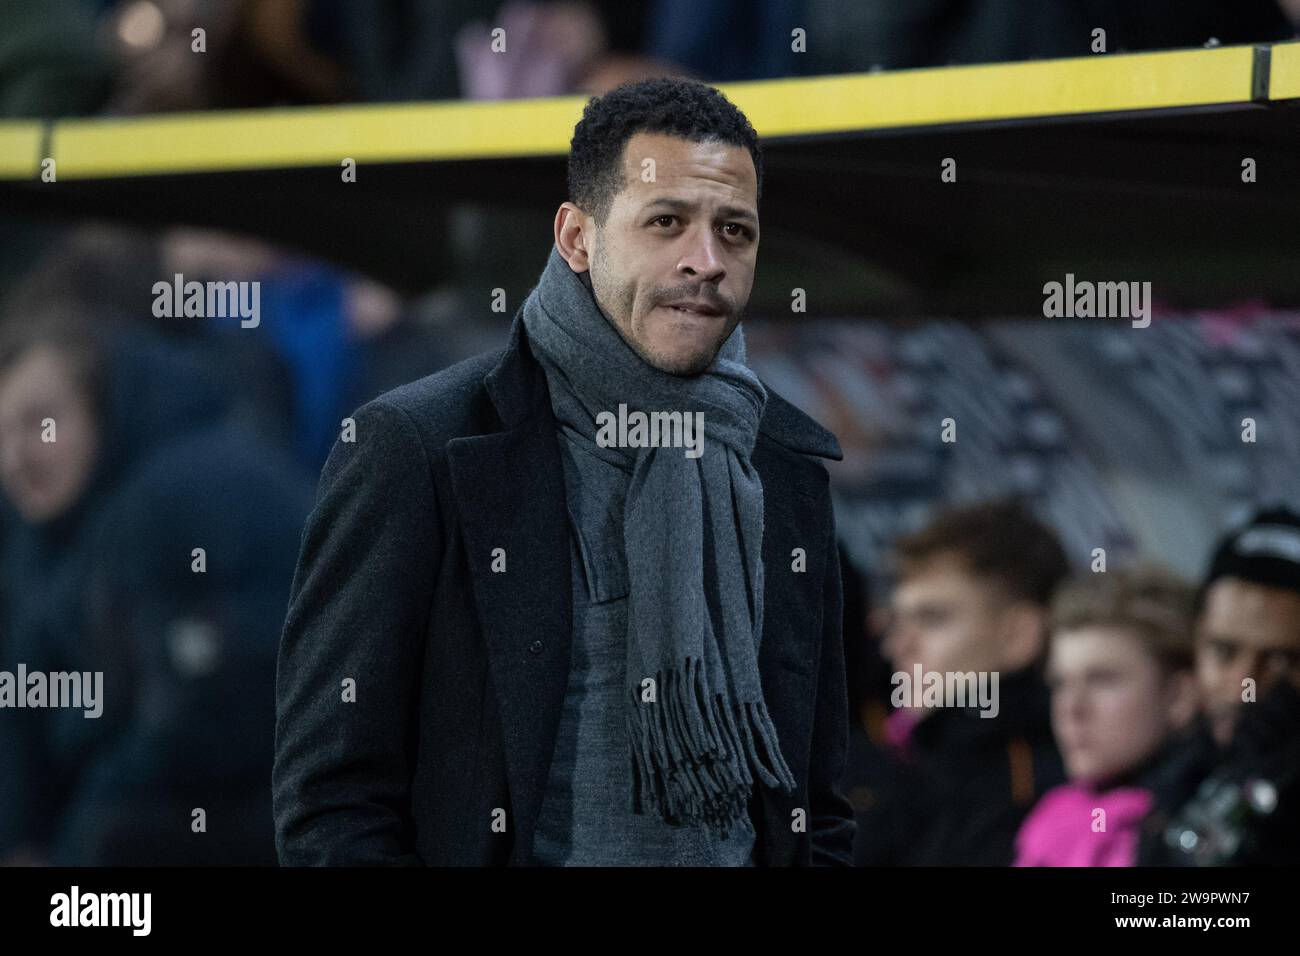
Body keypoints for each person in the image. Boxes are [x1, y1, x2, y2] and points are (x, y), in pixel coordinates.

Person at [272, 77, 856, 866]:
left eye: (736, 232)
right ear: (577, 239)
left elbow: (815, 810)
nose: (707, 261)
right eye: (667, 222)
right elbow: (332, 803)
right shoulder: (417, 451)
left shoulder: (784, 473)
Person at [0, 311, 312, 864]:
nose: (14, 459)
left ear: (103, 407)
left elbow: (187, 723)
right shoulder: (54, 529)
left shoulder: (175, 495)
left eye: (40, 422)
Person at [853, 499, 1068, 865]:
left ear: (1019, 635)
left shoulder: (1036, 790)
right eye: (898, 621)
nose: (897, 646)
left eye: (932, 619)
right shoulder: (896, 759)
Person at [1138, 506, 1300, 865]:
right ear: (1195, 644)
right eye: (1224, 652)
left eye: (1284, 660)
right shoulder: (1163, 774)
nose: (1245, 683)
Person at [1014, 567, 1198, 866]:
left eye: (1102, 680)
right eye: (1060, 683)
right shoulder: (1052, 815)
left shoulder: (1197, 833)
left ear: (1178, 696)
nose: (1071, 708)